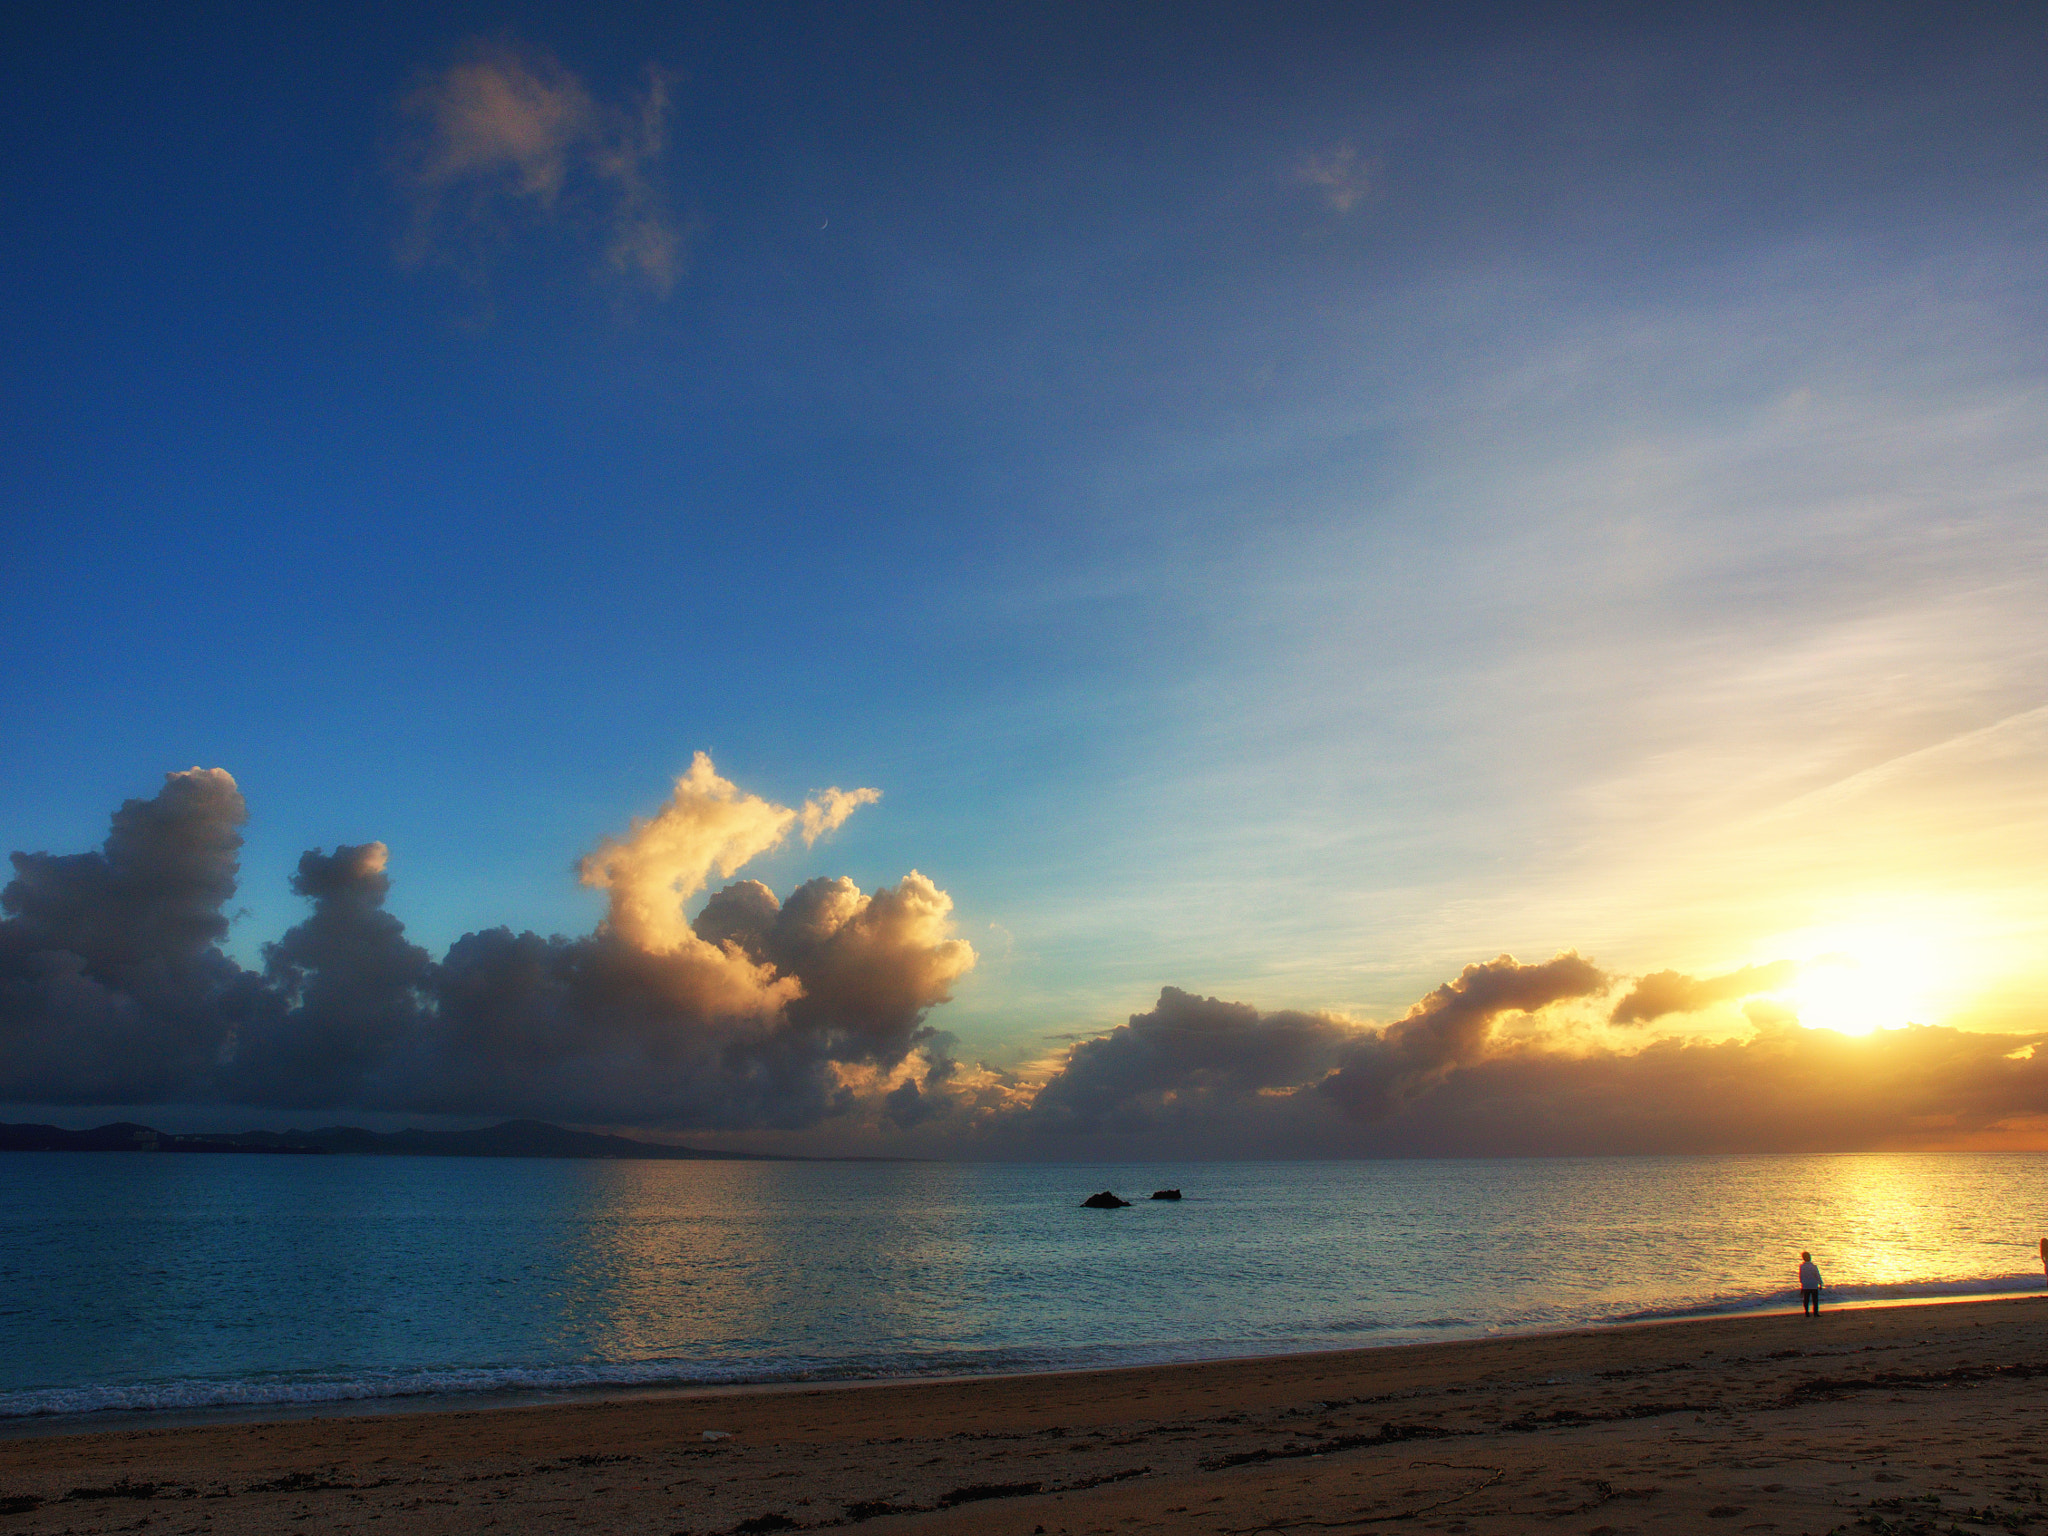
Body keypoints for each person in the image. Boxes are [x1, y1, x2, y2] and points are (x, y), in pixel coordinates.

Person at [1798, 1251, 1822, 1316]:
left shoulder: (1802, 1267)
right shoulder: (1814, 1266)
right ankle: (1815, 1312)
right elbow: (1817, 1275)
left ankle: (1806, 1312)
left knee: (1806, 1299)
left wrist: (1802, 1284)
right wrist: (1820, 1283)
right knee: (1815, 1300)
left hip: (1806, 1285)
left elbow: (1801, 1276)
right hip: (1814, 1284)